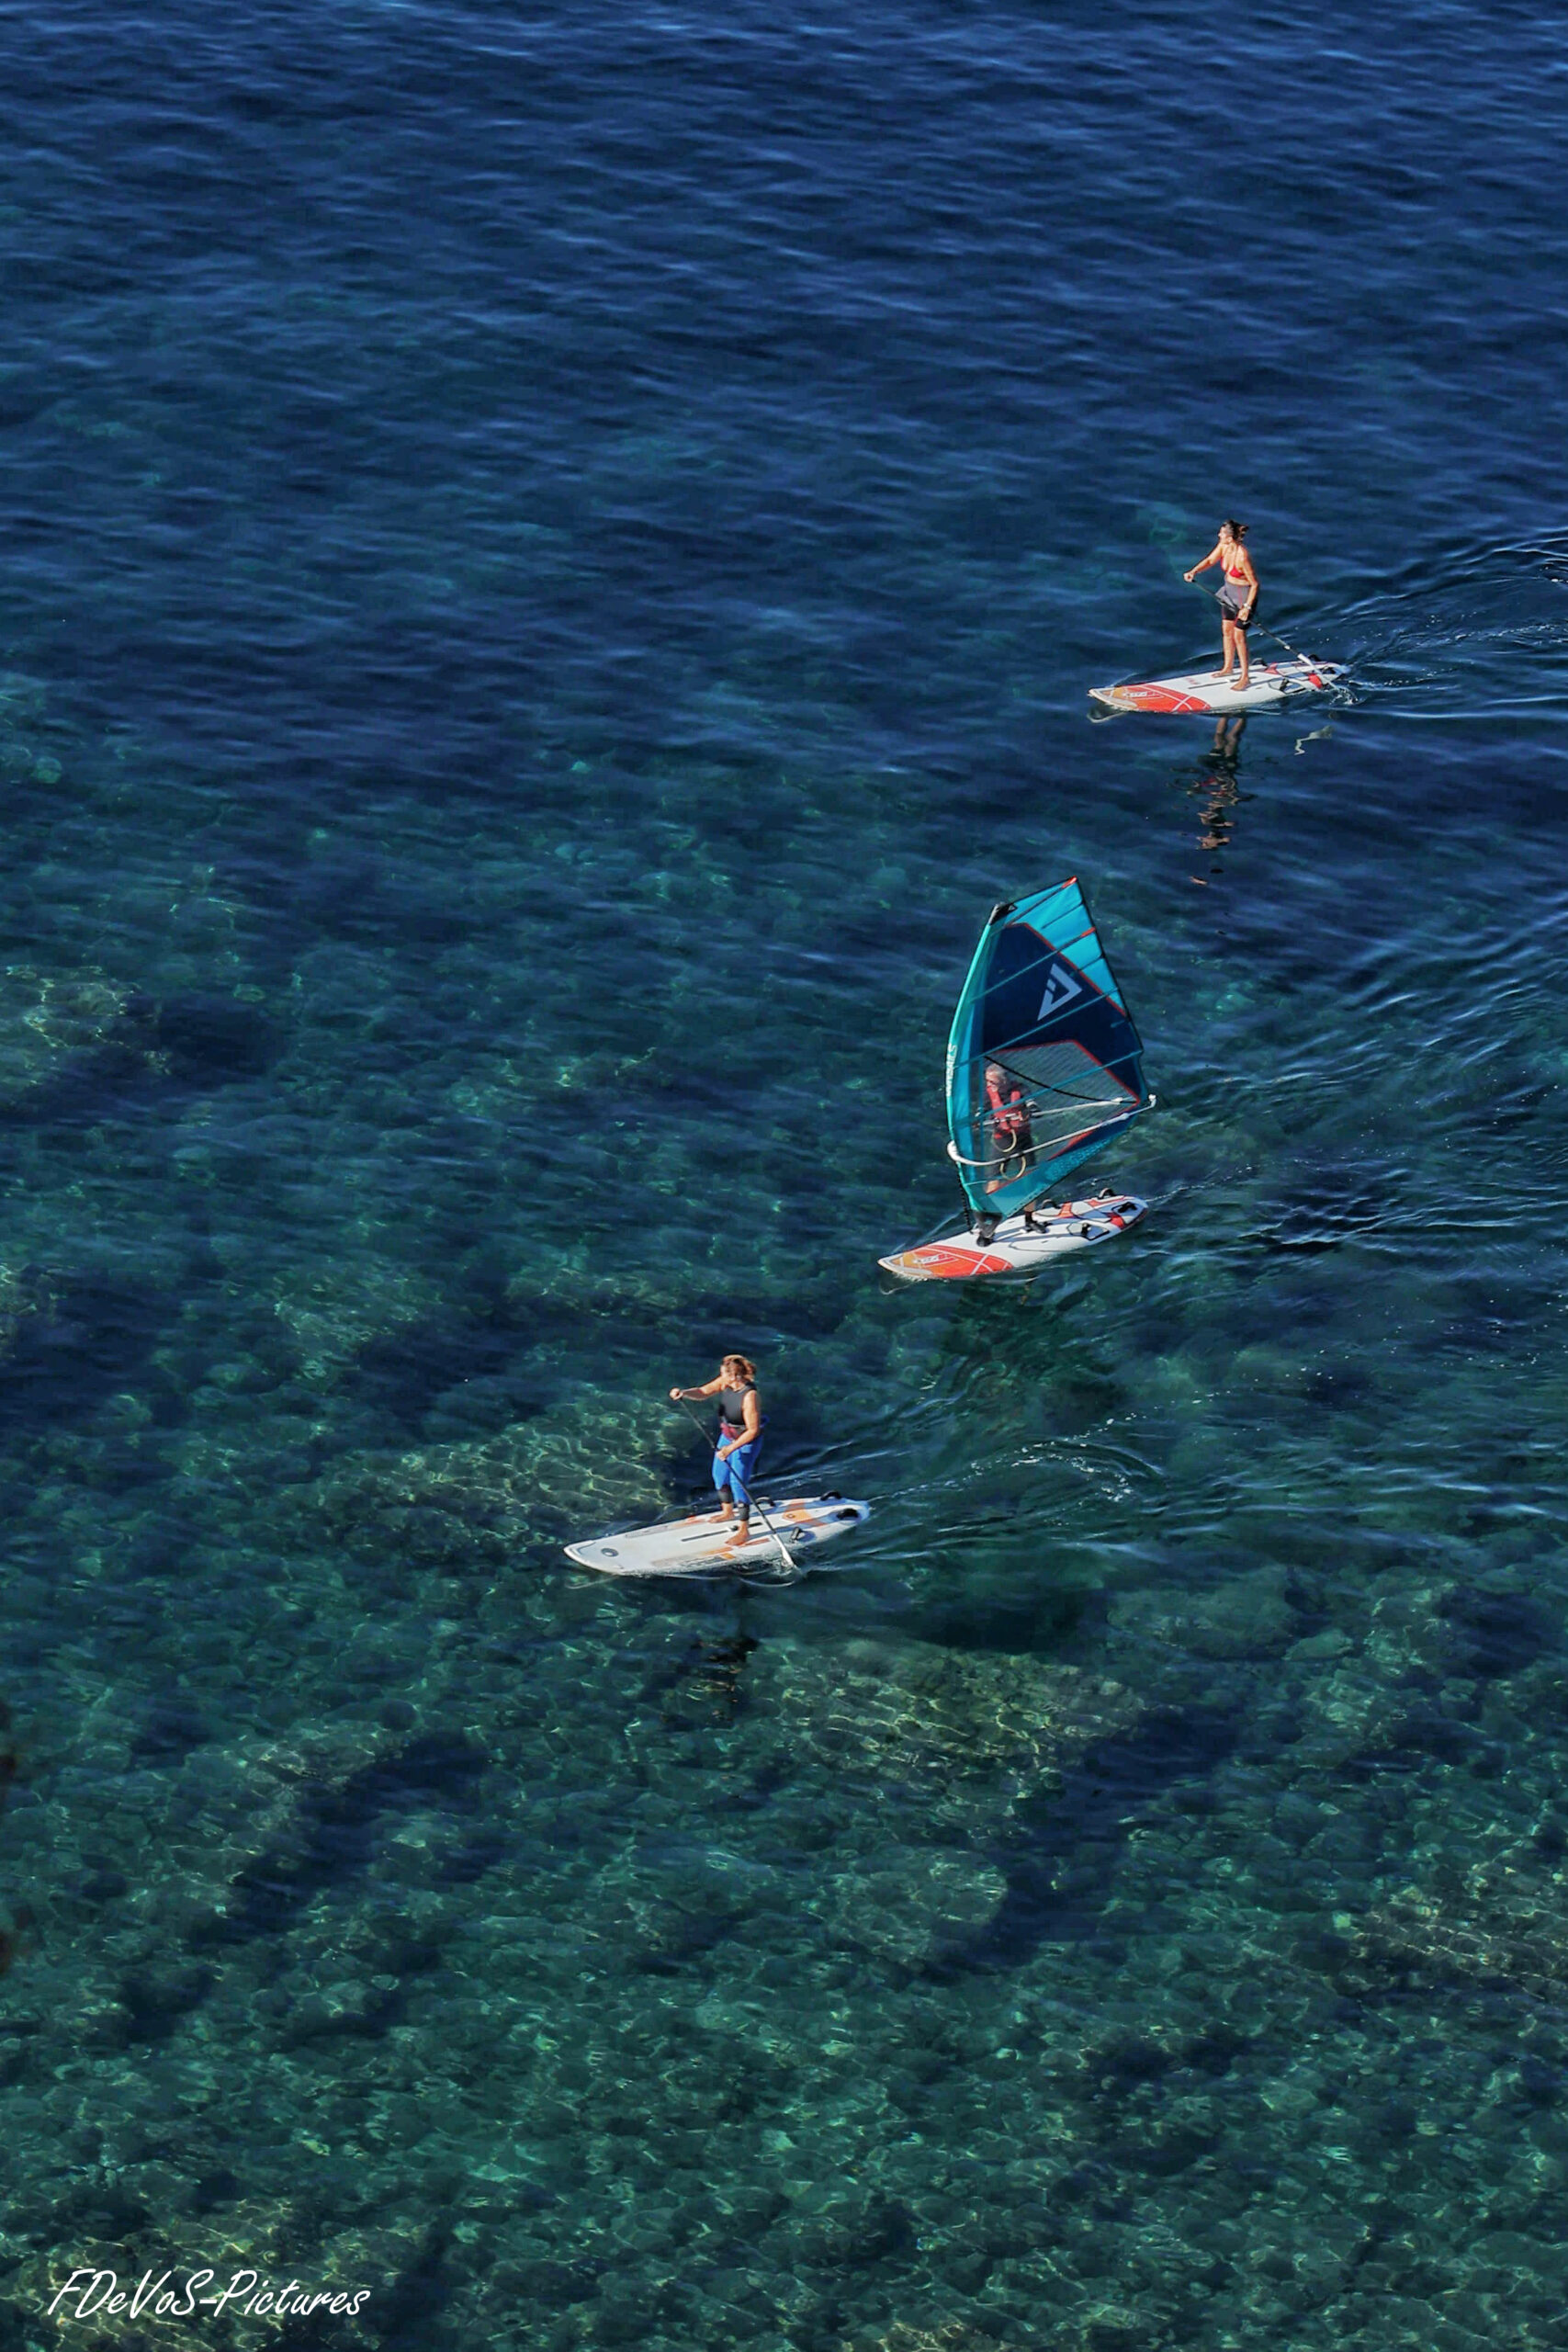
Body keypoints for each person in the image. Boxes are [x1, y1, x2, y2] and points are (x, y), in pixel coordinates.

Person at [669, 1353, 764, 1553]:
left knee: (738, 1484)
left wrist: (730, 1448)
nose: (721, 1378)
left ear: (735, 1377)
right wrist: (684, 1393)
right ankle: (728, 1512)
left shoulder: (750, 1396)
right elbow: (704, 1392)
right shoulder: (726, 1382)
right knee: (719, 1475)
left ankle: (744, 1530)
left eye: (724, 1375)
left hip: (745, 1443)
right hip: (727, 1436)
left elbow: (753, 1430)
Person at [1183, 519, 1258, 691]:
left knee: (1239, 636)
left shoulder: (1242, 556)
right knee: (1226, 630)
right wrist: (1194, 571)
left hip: (1244, 596)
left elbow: (1254, 584)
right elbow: (1210, 560)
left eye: (1222, 533)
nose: (1219, 535)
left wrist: (1247, 608)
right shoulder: (1224, 546)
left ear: (1230, 537)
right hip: (1229, 592)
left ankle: (1245, 677)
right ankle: (1228, 667)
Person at [983, 1063, 1034, 1193]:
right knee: (993, 1178)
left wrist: (1027, 1112)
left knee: (1029, 1175)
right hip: (1001, 1140)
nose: (989, 1084)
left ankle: (1030, 1210)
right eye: (987, 1081)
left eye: (992, 1081)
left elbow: (1032, 1105)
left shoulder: (1021, 1089)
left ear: (1004, 1081)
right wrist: (981, 1120)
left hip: (1022, 1139)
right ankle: (991, 1210)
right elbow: (983, 1110)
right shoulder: (988, 1092)